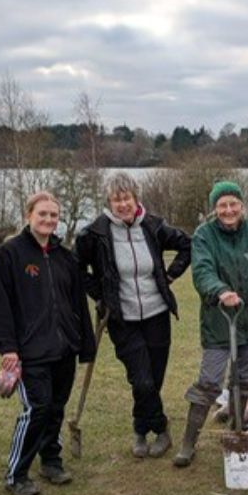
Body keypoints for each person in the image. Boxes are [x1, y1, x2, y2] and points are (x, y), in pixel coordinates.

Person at [0, 191, 97, 495]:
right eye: (42, 214)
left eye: (53, 215)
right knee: (37, 408)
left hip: (63, 349)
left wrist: (85, 344)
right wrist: (7, 347)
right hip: (29, 351)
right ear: (28, 216)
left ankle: (51, 460)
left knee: (56, 408)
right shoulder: (9, 256)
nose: (48, 220)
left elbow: (77, 304)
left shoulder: (65, 257)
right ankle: (16, 473)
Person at [74, 173, 192, 459]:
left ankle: (141, 428)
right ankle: (159, 428)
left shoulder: (153, 226)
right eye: (117, 199)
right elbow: (76, 270)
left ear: (135, 199)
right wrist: (101, 295)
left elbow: (187, 245)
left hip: (157, 315)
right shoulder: (95, 233)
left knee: (154, 377)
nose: (123, 204)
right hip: (120, 318)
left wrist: (170, 275)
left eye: (127, 198)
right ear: (109, 202)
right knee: (141, 379)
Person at [173, 180, 248, 467]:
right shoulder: (204, 236)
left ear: (242, 206)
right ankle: (189, 442)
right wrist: (219, 291)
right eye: (222, 205)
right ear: (215, 208)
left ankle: (237, 428)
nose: (228, 210)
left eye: (233, 204)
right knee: (210, 381)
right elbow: (201, 271)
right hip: (219, 322)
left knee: (244, 379)